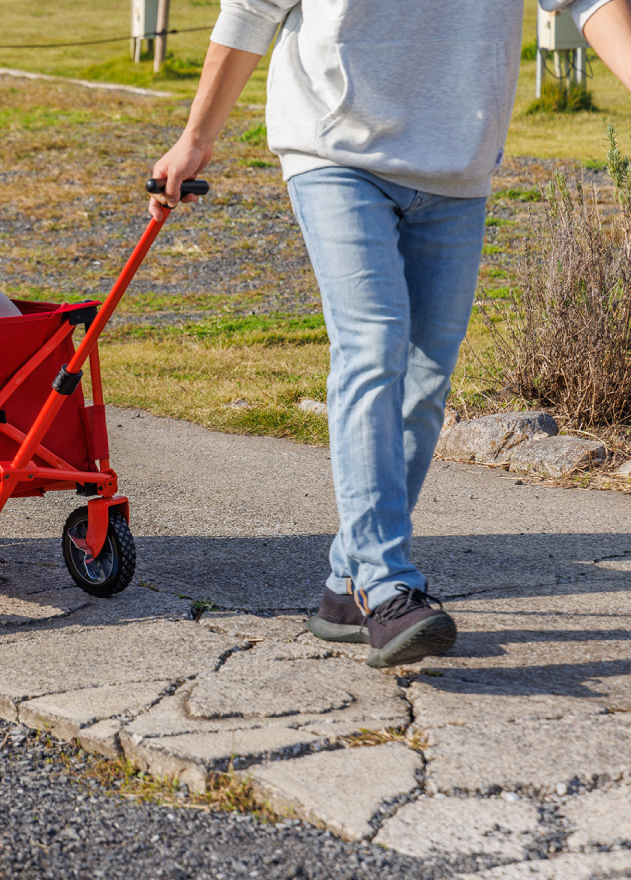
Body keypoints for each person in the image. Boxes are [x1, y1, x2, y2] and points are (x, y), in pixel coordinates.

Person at [151, 0, 631, 668]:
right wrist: (196, 139)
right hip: (334, 147)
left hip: (456, 161)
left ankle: (347, 585)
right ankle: (388, 585)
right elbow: (252, 10)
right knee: (373, 346)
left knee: (429, 376)